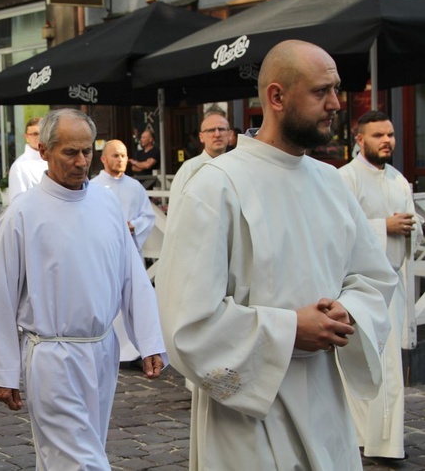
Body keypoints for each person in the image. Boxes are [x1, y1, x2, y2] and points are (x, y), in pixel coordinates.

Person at [156, 40, 397, 470]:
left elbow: (372, 277)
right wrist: (289, 330)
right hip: (247, 418)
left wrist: (346, 311)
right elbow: (187, 322)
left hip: (325, 401)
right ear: (277, 97)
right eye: (321, 91)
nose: (335, 104)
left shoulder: (331, 183)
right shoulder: (216, 186)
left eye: (336, 89)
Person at [0, 108, 167, 469]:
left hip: (102, 352)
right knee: (80, 461)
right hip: (52, 356)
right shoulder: (23, 214)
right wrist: (0, 370)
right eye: (70, 152)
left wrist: (149, 340)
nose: (81, 161)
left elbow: (132, 275)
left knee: (71, 454)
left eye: (87, 150)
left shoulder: (106, 204)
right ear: (44, 151)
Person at [339, 110, 421, 461]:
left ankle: (385, 442)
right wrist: (381, 226)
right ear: (360, 140)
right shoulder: (345, 178)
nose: (387, 141)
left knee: (389, 369)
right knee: (363, 364)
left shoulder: (400, 180)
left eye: (390, 134)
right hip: (358, 287)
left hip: (393, 287)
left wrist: (409, 229)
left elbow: (411, 239)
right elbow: (337, 231)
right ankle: (360, 435)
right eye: (378, 135)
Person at [91, 139, 156, 364]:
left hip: (129, 251)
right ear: (103, 158)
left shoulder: (135, 187)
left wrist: (133, 226)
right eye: (116, 155)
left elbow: (148, 216)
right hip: (103, 254)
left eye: (124, 155)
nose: (121, 160)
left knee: (132, 298)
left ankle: (133, 350)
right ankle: (108, 347)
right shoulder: (93, 186)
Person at [169, 113, 231, 196]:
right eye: (211, 130)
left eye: (221, 129)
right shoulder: (189, 169)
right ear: (201, 137)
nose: (217, 134)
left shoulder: (236, 167)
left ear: (229, 135)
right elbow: (176, 205)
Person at [7, 117, 47, 203]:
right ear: (26, 137)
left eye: (42, 133)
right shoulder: (19, 166)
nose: (39, 137)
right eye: (35, 134)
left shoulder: (53, 160)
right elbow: (17, 203)